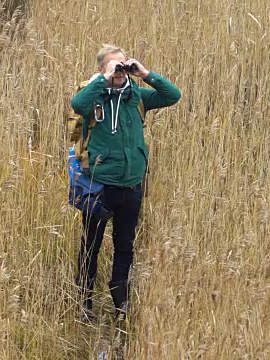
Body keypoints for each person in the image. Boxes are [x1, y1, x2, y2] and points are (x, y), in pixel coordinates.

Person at [71, 45, 181, 322]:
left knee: (125, 245)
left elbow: (173, 95)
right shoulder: (94, 98)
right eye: (113, 67)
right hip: (100, 184)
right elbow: (78, 105)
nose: (119, 71)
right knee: (91, 245)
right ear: (101, 70)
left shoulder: (137, 97)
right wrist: (103, 79)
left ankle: (120, 300)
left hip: (131, 184)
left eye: (122, 66)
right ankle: (84, 301)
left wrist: (145, 74)